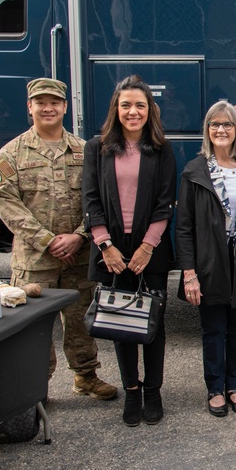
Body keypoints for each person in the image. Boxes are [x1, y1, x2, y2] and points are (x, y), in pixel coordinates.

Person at [0, 78, 118, 402]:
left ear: (64, 107)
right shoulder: (12, 154)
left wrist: (78, 236)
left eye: (54, 102)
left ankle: (85, 377)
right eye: (40, 102)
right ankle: (36, 388)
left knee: (80, 319)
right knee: (34, 327)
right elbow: (6, 203)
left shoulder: (83, 150)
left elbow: (99, 199)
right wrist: (47, 240)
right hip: (35, 260)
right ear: (29, 107)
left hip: (77, 254)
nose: (47, 108)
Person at [82, 75, 176, 426]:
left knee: (153, 322)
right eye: (126, 105)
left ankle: (153, 390)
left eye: (140, 105)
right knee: (119, 321)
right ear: (116, 109)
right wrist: (105, 245)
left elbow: (166, 203)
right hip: (112, 251)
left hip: (148, 251)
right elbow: (89, 199)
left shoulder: (161, 149)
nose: (132, 112)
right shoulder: (97, 148)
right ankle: (132, 391)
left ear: (149, 110)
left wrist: (148, 247)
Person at [176, 101, 236, 418]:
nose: (221, 130)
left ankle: (234, 385)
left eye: (227, 125)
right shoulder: (194, 171)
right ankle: (215, 388)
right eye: (215, 124)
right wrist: (189, 273)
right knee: (213, 329)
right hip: (209, 265)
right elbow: (184, 227)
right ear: (207, 130)